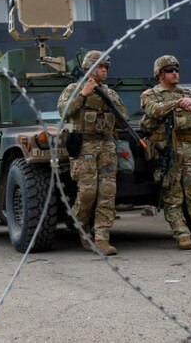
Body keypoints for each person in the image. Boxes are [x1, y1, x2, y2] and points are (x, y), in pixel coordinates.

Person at [140, 55, 191, 250]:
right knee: (173, 195)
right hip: (168, 149)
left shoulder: (189, 92)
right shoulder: (151, 94)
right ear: (160, 74)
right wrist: (178, 104)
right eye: (170, 70)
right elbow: (154, 111)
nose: (175, 73)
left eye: (176, 69)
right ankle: (182, 235)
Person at [58, 50, 127, 256]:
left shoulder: (110, 92)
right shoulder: (74, 88)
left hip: (106, 146)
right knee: (88, 192)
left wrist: (108, 102)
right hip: (85, 146)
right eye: (100, 66)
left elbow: (123, 117)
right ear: (88, 68)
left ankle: (102, 237)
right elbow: (63, 111)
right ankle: (82, 228)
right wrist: (83, 94)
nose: (104, 70)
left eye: (106, 67)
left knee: (107, 192)